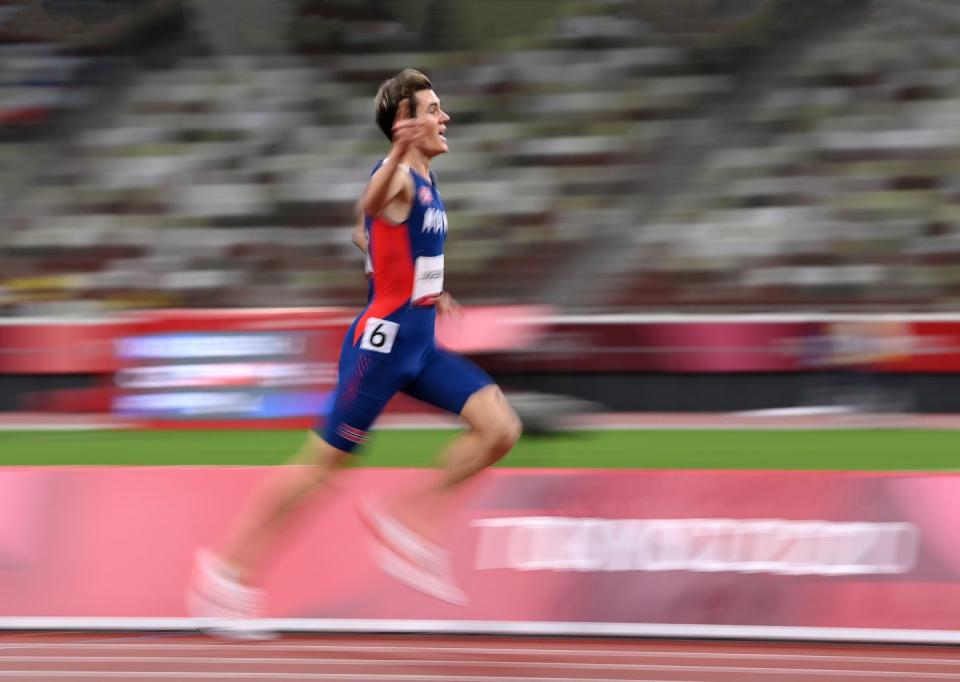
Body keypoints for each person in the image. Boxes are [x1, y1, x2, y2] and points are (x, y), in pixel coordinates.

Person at [188, 69, 522, 629]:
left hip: (420, 345)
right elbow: (370, 201)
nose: (445, 118)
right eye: (433, 109)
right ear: (406, 123)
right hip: (381, 346)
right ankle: (223, 575)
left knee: (501, 428)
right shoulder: (397, 180)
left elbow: (367, 231)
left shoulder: (425, 181)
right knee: (321, 467)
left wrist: (428, 288)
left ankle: (405, 520)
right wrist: (393, 160)